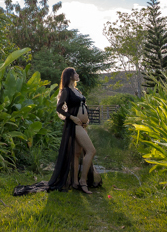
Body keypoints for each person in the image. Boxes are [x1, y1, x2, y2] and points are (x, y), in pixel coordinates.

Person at [12, 67, 102, 195]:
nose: (77, 75)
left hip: (82, 125)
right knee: (91, 150)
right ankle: (83, 181)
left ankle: (75, 182)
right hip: (74, 125)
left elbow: (83, 106)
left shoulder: (76, 90)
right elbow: (59, 109)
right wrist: (72, 117)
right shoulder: (66, 91)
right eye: (75, 73)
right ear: (70, 76)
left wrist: (86, 120)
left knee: (76, 153)